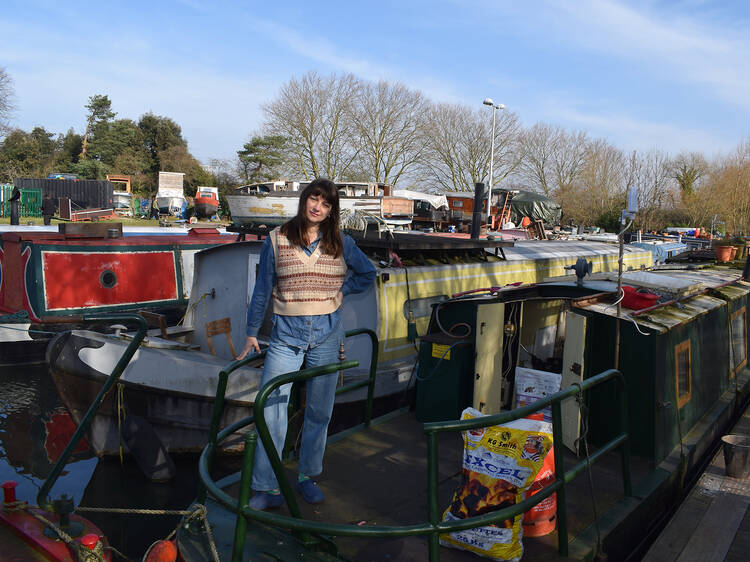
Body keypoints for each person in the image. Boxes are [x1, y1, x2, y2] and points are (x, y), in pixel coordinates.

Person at [236, 178, 376, 510]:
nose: (318, 207)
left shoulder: (341, 242)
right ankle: (265, 487)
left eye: (326, 204)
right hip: (285, 337)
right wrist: (252, 332)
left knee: (318, 412)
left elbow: (367, 273)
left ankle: (307, 476)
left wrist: (343, 292)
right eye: (314, 199)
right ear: (304, 200)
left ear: (331, 211)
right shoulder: (276, 240)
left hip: (328, 335)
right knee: (271, 411)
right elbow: (262, 290)